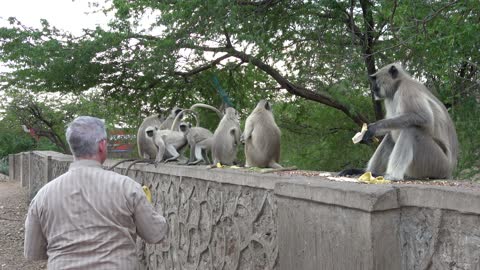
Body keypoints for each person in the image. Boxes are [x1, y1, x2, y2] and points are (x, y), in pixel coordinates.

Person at [24, 116, 168, 269]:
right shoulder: (127, 187)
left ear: (73, 146)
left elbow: (33, 252)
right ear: (102, 145)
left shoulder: (43, 195)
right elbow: (155, 234)